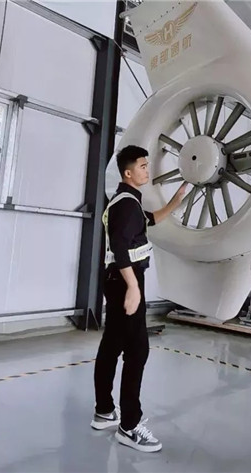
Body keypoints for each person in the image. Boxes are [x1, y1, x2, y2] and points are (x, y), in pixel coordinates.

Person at [91, 145, 187, 453]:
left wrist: (176, 201)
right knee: (137, 351)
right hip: (126, 281)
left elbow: (150, 220)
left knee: (111, 346)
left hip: (118, 280)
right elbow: (120, 248)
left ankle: (104, 411)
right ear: (128, 173)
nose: (147, 170)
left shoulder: (127, 201)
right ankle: (129, 426)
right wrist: (133, 287)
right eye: (143, 166)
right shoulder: (126, 206)